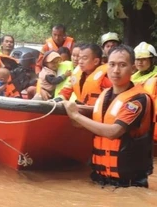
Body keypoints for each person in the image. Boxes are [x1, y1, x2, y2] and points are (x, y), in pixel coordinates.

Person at [64, 45, 154, 188]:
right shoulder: (104, 95)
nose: (116, 70)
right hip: (100, 177)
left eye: (122, 65)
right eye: (112, 65)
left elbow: (113, 132)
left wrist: (75, 115)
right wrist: (71, 114)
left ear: (132, 68)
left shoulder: (138, 100)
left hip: (127, 183)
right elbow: (86, 124)